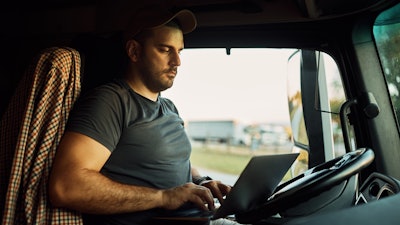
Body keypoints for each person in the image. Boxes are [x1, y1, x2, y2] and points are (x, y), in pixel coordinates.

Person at [48, 6, 239, 225]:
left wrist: (202, 182)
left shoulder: (169, 107)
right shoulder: (111, 102)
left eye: (179, 51)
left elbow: (174, 163)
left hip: (201, 218)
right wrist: (163, 197)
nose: (177, 62)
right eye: (165, 49)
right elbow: (66, 186)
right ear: (134, 51)